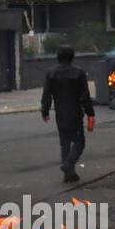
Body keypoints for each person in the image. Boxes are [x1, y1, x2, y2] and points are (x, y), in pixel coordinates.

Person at [40, 45, 95, 183]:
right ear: (72, 57)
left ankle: (69, 174)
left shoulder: (51, 73)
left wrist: (45, 110)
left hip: (60, 113)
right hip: (75, 112)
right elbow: (85, 96)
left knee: (64, 143)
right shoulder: (78, 73)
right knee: (79, 142)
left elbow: (47, 94)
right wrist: (90, 113)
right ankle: (68, 165)